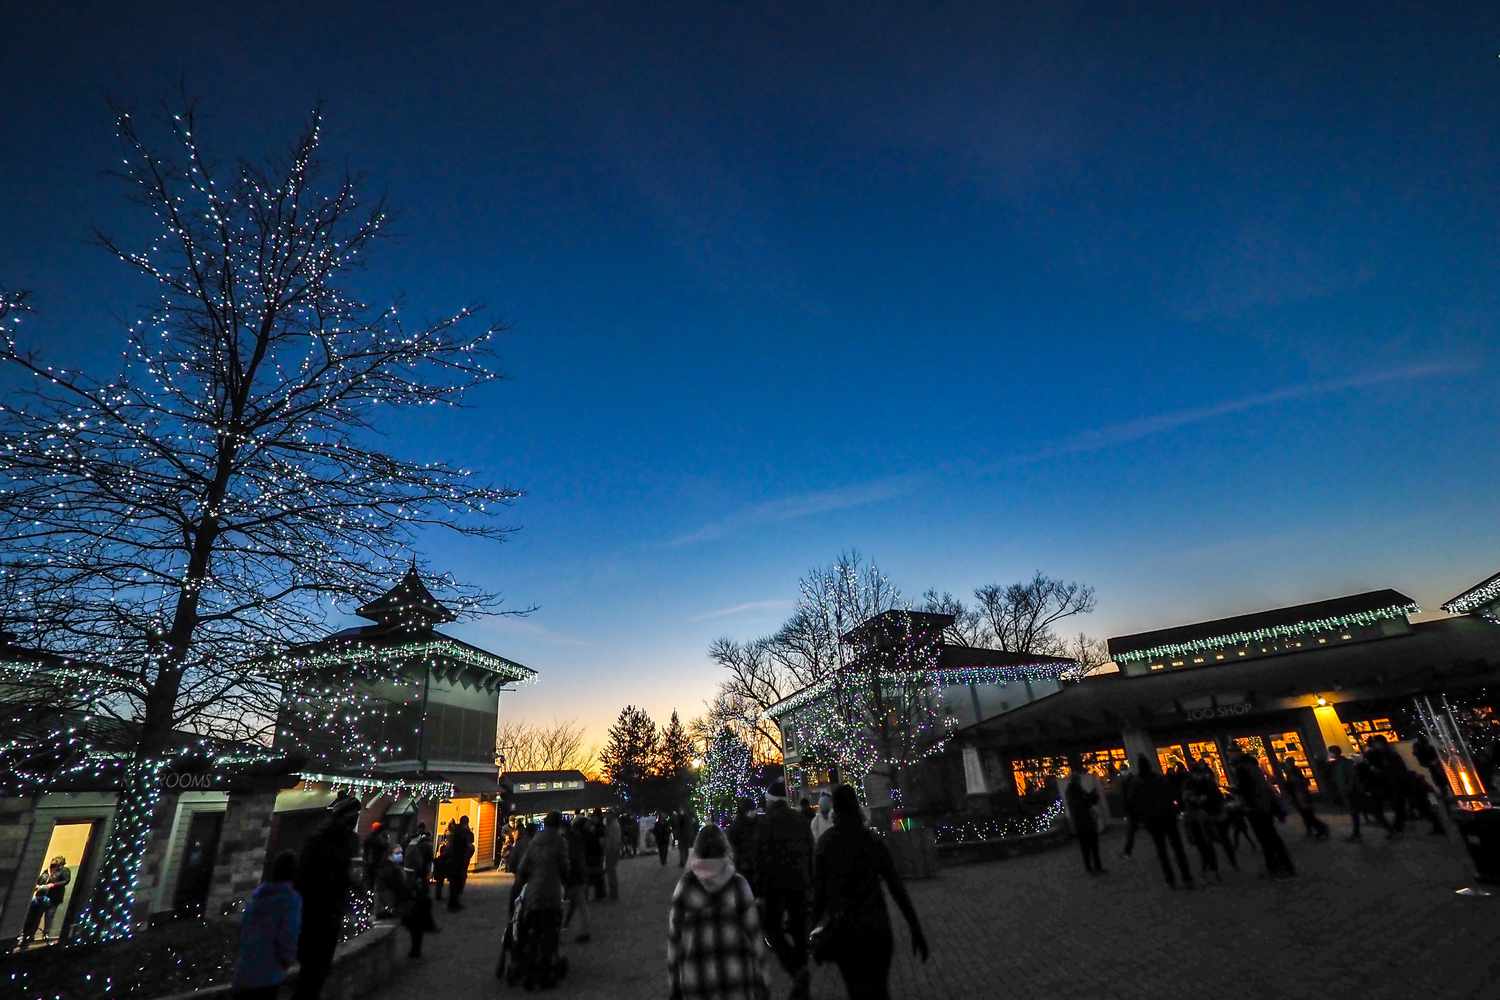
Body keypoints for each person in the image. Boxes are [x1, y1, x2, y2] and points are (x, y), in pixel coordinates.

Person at [812, 784, 929, 1000]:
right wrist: (915, 927)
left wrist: (814, 932)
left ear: (836, 809)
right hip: (876, 928)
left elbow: (818, 895)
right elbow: (896, 887)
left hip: (845, 932)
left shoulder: (825, 844)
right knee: (880, 990)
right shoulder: (871, 840)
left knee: (856, 991)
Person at [667, 824, 768, 1000]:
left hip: (697, 980)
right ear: (725, 848)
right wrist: (762, 979)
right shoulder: (738, 884)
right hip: (736, 978)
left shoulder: (685, 887)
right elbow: (754, 936)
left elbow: (675, 939)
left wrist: (674, 982)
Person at [293, 795, 361, 1000]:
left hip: (323, 907)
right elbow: (308, 875)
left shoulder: (328, 839)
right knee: (315, 964)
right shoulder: (326, 841)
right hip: (319, 907)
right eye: (353, 816)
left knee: (314, 965)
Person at [754, 779, 813, 1000]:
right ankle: (802, 977)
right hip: (799, 882)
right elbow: (810, 849)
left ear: (770, 802)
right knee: (799, 930)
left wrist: (759, 891)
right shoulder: (799, 819)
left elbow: (760, 858)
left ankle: (796, 970)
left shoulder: (765, 824)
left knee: (772, 929)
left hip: (775, 885)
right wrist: (811, 881)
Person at [513, 811, 571, 990]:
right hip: (551, 893)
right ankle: (546, 973)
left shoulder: (534, 842)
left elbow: (522, 867)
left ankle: (530, 973)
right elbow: (564, 866)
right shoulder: (559, 842)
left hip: (533, 894)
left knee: (533, 933)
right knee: (550, 934)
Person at [232, 852, 302, 1000]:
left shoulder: (258, 897)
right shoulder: (290, 900)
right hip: (267, 974)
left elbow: (244, 930)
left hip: (244, 970)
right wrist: (287, 960)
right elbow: (288, 935)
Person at [1228, 750, 1295, 878]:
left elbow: (1246, 790)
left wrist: (1234, 792)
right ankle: (1281, 865)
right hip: (1264, 806)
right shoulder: (1254, 768)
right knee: (1271, 837)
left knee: (1266, 838)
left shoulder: (1243, 770)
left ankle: (1278, 867)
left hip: (1256, 808)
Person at [1133, 754, 1194, 889]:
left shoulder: (1137, 784)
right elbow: (1172, 794)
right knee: (1178, 849)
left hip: (1153, 821)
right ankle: (1186, 877)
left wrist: (1142, 819)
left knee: (1162, 852)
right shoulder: (1160, 779)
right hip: (1168, 818)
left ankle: (1170, 879)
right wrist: (1176, 810)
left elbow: (1135, 804)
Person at [1180, 762, 1231, 880]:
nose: (1199, 776)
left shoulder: (1204, 783)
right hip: (1197, 818)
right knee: (1203, 845)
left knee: (1207, 844)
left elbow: (1215, 797)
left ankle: (1213, 870)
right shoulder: (1190, 783)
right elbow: (1187, 798)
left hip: (1207, 817)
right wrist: (1196, 800)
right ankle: (1209, 869)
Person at [20, 856, 70, 948]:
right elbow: (39, 880)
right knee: (36, 916)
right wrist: (38, 886)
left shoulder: (64, 870)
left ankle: (46, 935)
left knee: (49, 917)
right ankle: (30, 936)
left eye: (56, 864)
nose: (53, 865)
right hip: (42, 897)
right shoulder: (47, 871)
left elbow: (66, 881)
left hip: (54, 898)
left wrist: (53, 885)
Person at [1064, 771, 1104, 875]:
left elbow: (1087, 800)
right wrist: (1090, 798)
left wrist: (1092, 796)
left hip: (1086, 822)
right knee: (1087, 847)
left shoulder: (1077, 789)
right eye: (1078, 779)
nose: (1080, 781)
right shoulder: (1072, 791)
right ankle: (1091, 868)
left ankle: (1095, 867)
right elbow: (1081, 804)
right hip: (1082, 823)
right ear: (1075, 780)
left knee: (1091, 847)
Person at [1279, 760, 1330, 839]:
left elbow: (1296, 788)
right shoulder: (1296, 776)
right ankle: (1318, 829)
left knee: (1308, 816)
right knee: (1307, 815)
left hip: (1301, 799)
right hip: (1301, 798)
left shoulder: (1294, 777)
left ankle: (1321, 829)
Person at [562, 814, 592, 943]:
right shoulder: (577, 837)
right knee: (578, 904)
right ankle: (578, 929)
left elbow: (571, 858)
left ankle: (566, 929)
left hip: (573, 876)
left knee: (574, 904)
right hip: (579, 874)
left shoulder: (568, 840)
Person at [726, 797, 759, 893]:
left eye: (753, 810)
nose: (752, 813)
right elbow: (732, 846)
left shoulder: (759, 823)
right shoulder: (736, 826)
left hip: (756, 865)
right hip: (744, 865)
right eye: (750, 810)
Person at [447, 815, 475, 911]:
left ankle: (452, 902)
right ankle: (454, 903)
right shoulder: (464, 832)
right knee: (458, 880)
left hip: (453, 860)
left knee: (453, 882)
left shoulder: (455, 831)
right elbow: (469, 844)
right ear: (466, 822)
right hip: (460, 860)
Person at [603, 810, 623, 901]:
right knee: (611, 872)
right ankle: (613, 893)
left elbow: (612, 840)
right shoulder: (613, 824)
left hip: (612, 851)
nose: (606, 816)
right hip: (613, 850)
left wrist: (609, 849)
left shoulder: (613, 825)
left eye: (607, 814)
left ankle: (614, 893)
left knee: (611, 872)